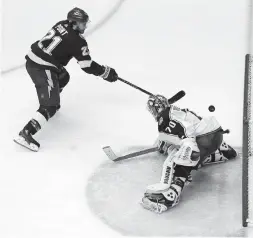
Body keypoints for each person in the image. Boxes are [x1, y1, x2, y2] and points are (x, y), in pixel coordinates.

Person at [14, 7, 118, 152]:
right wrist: (105, 72)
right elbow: (86, 65)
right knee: (50, 106)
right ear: (74, 23)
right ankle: (26, 133)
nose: (85, 26)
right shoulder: (77, 41)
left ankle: (50, 99)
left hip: (34, 60)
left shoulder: (61, 23)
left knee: (63, 77)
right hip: (42, 67)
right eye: (83, 23)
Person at [141, 94, 237, 214]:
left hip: (204, 140)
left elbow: (179, 138)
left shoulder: (163, 120)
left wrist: (165, 145)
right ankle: (224, 151)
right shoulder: (177, 110)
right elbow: (193, 125)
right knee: (195, 154)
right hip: (217, 134)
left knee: (180, 162)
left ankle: (170, 196)